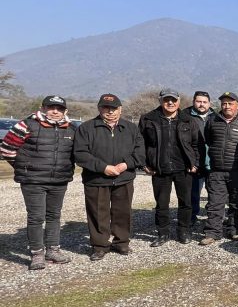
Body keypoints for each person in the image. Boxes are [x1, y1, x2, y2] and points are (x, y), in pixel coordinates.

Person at [1, 95, 76, 269]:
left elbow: (74, 154)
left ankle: (53, 250)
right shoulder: (26, 125)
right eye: (51, 108)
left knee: (54, 216)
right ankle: (37, 253)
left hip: (59, 180)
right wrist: (23, 167)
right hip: (33, 181)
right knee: (36, 217)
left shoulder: (71, 128)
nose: (55, 111)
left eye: (59, 108)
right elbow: (6, 148)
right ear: (43, 108)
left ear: (65, 111)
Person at [74, 94, 145, 261]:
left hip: (124, 177)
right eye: (106, 108)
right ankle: (99, 246)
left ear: (120, 109)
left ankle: (121, 242)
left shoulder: (131, 128)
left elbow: (140, 153)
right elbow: (80, 154)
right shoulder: (86, 128)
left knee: (123, 212)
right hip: (96, 179)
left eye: (114, 108)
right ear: (99, 109)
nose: (110, 111)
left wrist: (125, 165)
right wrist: (103, 168)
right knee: (98, 213)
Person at [139, 89, 201, 247]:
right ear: (160, 101)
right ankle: (163, 233)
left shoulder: (188, 120)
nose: (170, 103)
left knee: (186, 202)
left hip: (184, 169)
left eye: (173, 100)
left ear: (179, 101)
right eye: (167, 100)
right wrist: (144, 164)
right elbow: (140, 144)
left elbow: (197, 144)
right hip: (159, 169)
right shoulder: (148, 119)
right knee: (161, 203)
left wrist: (195, 163)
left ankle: (184, 231)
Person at [199, 92, 238, 245]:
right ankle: (212, 232)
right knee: (215, 202)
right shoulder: (211, 120)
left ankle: (235, 230)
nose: (227, 106)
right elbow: (209, 139)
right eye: (224, 103)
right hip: (217, 170)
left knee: (236, 202)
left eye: (230, 103)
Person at [185, 91, 214, 223]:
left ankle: (214, 218)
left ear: (209, 103)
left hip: (213, 162)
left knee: (215, 193)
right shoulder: (185, 116)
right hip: (194, 162)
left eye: (204, 102)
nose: (201, 104)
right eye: (199, 101)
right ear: (193, 102)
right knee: (193, 193)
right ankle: (191, 217)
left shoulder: (216, 117)